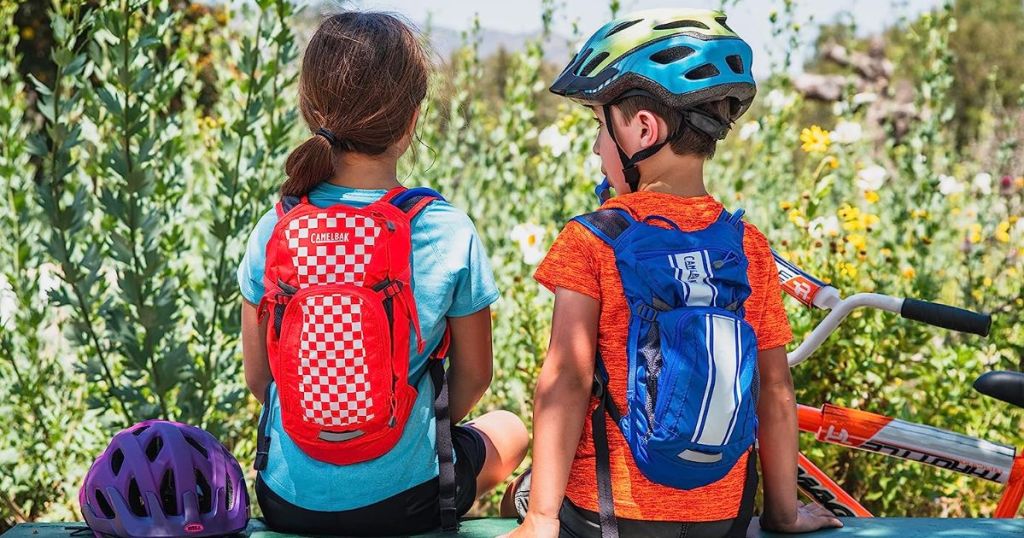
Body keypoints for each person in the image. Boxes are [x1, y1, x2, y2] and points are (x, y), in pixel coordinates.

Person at [503, 9, 844, 538]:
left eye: (600, 126)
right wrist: (780, 514)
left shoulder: (593, 239)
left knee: (516, 494)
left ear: (643, 129)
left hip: (608, 517)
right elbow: (775, 390)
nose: (597, 147)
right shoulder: (747, 246)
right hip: (721, 519)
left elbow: (566, 379)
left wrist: (541, 519)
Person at [237, 11, 527, 536]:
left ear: (310, 110)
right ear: (412, 121)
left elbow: (261, 380)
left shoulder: (275, 226)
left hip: (287, 498)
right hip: (409, 502)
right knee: (510, 430)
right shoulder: (445, 229)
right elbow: (474, 378)